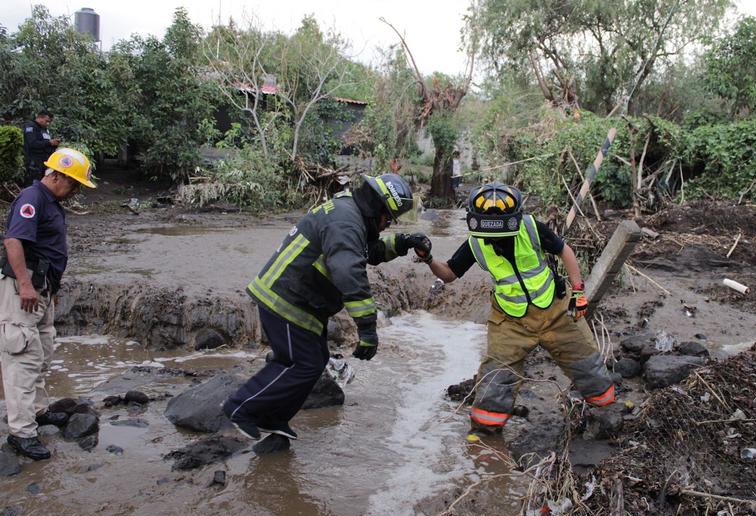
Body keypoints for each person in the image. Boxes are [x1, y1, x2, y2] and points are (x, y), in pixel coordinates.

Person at [223, 173, 432, 441]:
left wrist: (403, 243)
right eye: (388, 218)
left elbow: (365, 251)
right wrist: (367, 329)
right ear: (376, 208)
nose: (386, 225)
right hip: (287, 299)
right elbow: (348, 272)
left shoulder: (349, 213)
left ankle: (272, 417)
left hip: (302, 302)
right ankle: (241, 407)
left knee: (314, 361)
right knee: (303, 364)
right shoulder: (346, 221)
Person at [422, 183, 615, 435]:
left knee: (588, 366)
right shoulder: (476, 244)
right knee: (495, 383)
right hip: (510, 323)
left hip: (555, 311)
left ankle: (606, 413)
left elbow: (563, 250)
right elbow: (448, 273)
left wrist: (578, 291)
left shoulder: (531, 227)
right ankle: (484, 441)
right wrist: (427, 258)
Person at [1, 147, 96, 460]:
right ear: (57, 175)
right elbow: (14, 240)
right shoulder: (33, 198)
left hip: (41, 289)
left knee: (41, 354)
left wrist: (50, 287)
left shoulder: (51, 203)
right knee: (22, 358)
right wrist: (25, 284)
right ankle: (21, 433)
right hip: (23, 290)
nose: (75, 190)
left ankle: (37, 413)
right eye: (73, 184)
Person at [23, 111, 60, 184]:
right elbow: (32, 144)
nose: (48, 124)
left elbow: (44, 144)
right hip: (34, 162)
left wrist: (53, 144)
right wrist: (49, 142)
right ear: (40, 118)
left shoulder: (44, 130)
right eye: (47, 121)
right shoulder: (31, 127)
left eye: (49, 122)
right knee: (33, 184)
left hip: (43, 162)